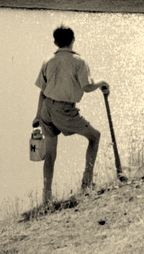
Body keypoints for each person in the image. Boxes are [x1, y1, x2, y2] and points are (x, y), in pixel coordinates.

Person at [33, 25, 108, 205]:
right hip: (64, 110)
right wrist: (102, 82)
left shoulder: (48, 60)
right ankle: (87, 183)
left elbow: (42, 91)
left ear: (55, 42)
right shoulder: (79, 62)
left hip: (46, 110)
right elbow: (87, 87)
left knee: (50, 154)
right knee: (94, 137)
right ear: (73, 40)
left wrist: (37, 115)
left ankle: (47, 197)